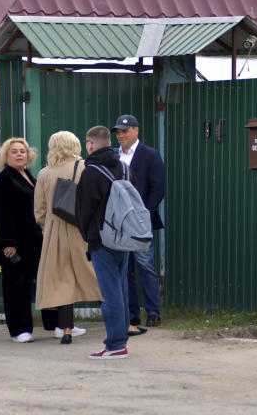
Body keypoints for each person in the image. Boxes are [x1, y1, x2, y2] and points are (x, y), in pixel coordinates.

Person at [33, 130, 103, 344]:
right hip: (82, 231)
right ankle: (117, 322)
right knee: (96, 277)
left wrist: (49, 228)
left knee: (62, 282)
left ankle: (66, 330)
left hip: (55, 233)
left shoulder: (45, 173)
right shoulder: (86, 169)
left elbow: (39, 211)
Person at [75, 125, 133, 359]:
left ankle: (116, 345)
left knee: (110, 294)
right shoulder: (125, 168)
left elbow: (83, 211)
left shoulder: (90, 172)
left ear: (90, 145)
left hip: (102, 240)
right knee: (122, 290)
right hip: (125, 238)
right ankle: (122, 339)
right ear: (109, 142)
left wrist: (87, 236)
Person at [112, 114, 166, 329]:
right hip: (118, 223)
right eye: (118, 132)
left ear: (136, 131)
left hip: (141, 222)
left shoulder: (150, 155)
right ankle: (132, 314)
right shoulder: (113, 157)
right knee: (125, 270)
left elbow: (158, 187)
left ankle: (153, 312)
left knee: (146, 265)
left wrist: (144, 213)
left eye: (125, 131)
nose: (121, 135)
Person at [0, 137, 43, 343]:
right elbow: (2, 214)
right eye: (14, 151)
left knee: (33, 283)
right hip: (16, 245)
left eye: (22, 150)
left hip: (33, 242)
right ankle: (19, 330)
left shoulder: (28, 175)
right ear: (6, 156)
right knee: (16, 286)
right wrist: (8, 243)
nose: (20, 154)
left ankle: (54, 325)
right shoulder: (4, 180)